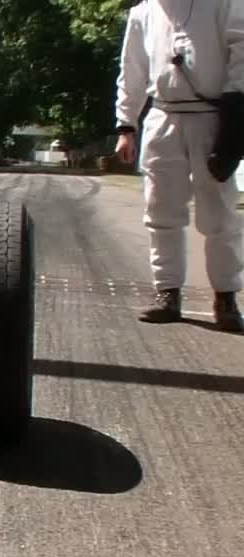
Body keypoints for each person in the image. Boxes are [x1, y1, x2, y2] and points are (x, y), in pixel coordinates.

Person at [114, 0, 244, 330]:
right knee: (160, 213)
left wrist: (234, 123)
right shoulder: (143, 13)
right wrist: (126, 125)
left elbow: (241, 54)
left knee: (220, 214)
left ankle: (226, 296)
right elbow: (132, 68)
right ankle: (167, 292)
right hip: (162, 116)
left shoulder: (224, 4)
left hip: (212, 118)